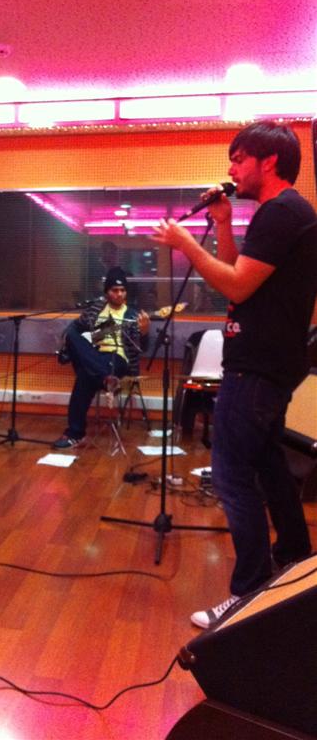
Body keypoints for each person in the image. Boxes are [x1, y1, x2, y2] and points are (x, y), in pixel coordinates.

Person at [153, 121, 317, 629]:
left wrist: (187, 243)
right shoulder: (281, 214)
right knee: (268, 466)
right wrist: (222, 224)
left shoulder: (282, 212)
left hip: (257, 367)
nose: (231, 169)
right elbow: (235, 278)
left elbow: (238, 288)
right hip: (266, 364)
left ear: (269, 162)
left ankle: (247, 595)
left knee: (231, 476)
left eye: (239, 158)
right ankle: (295, 560)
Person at [53, 266, 150, 449]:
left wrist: (144, 333)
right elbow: (72, 330)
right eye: (115, 290)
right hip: (95, 356)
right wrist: (80, 339)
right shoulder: (95, 310)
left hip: (118, 359)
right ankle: (105, 378)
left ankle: (74, 434)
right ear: (106, 292)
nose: (119, 294)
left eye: (122, 290)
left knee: (85, 378)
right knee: (73, 337)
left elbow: (141, 349)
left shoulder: (132, 315)